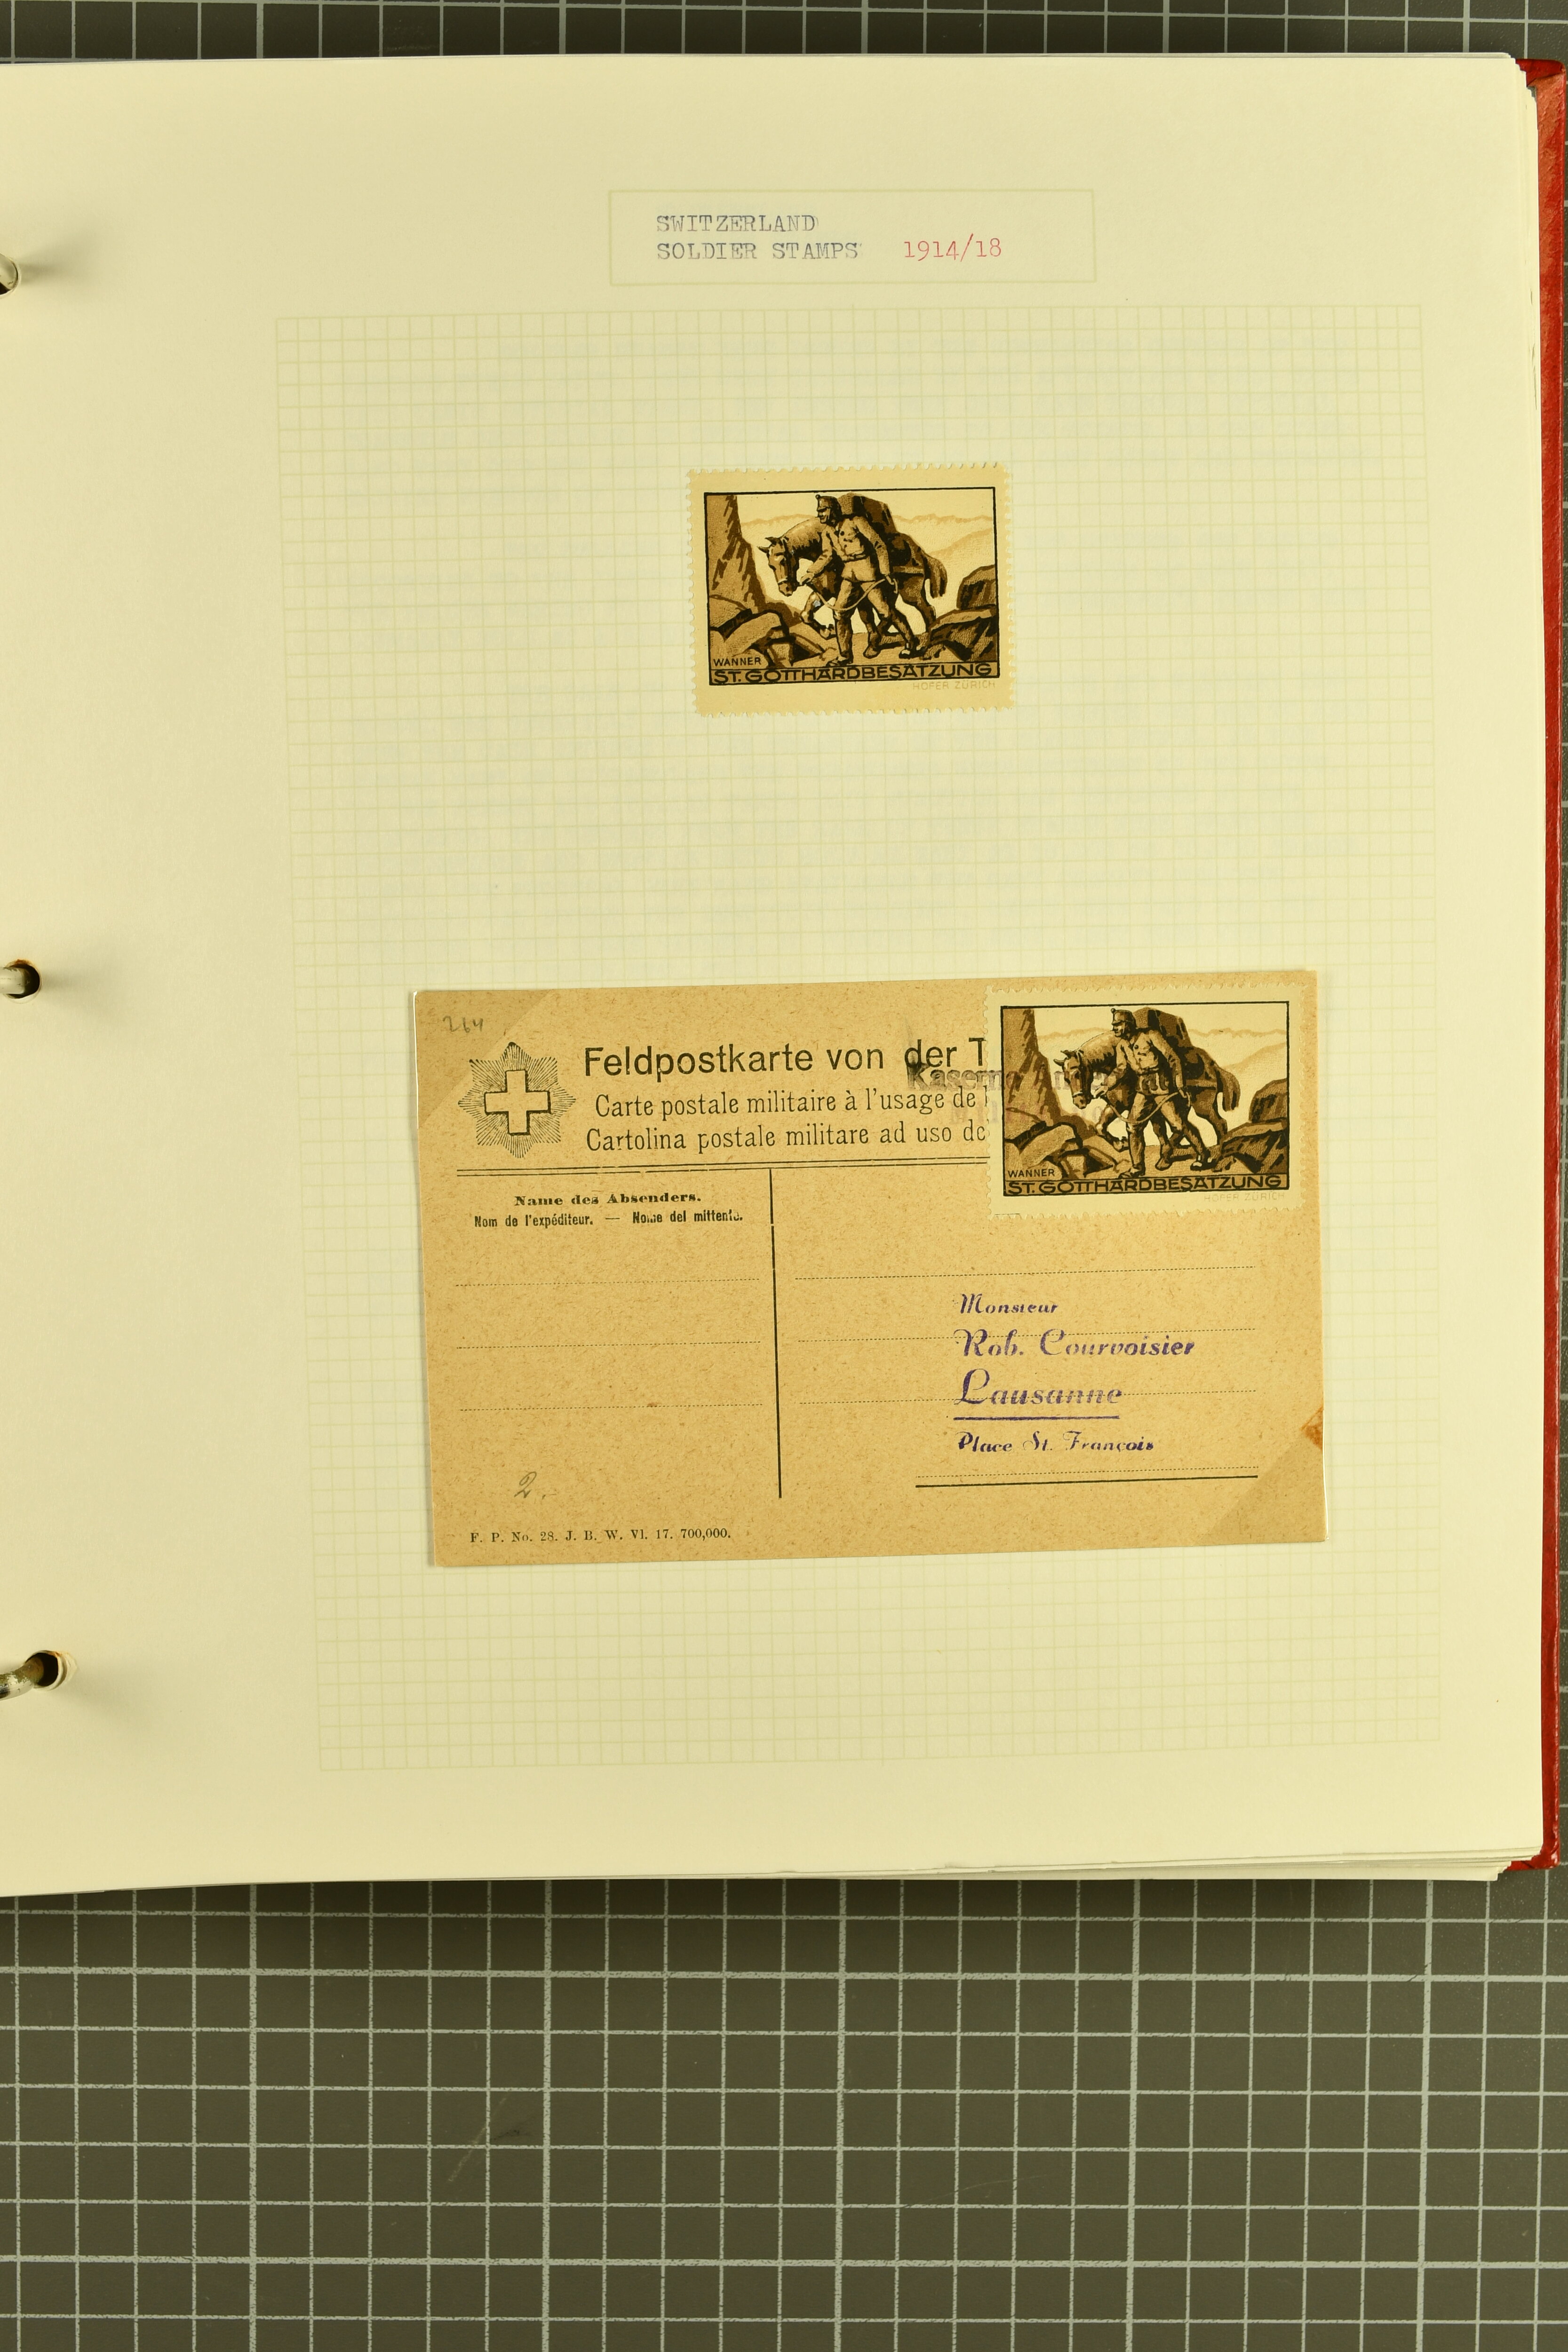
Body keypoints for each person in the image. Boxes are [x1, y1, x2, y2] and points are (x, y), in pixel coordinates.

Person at [804, 494, 917, 663]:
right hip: (849, 576)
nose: (819, 514)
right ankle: (845, 656)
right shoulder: (827, 532)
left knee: (885, 612)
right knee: (839, 614)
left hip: (868, 573)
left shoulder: (856, 522)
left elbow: (878, 544)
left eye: (823, 510)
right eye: (819, 511)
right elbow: (827, 555)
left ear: (833, 510)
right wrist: (812, 573)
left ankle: (911, 642)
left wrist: (886, 572)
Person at [1110, 1009, 1212, 1173]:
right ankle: (1137, 1167)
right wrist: (1105, 1086)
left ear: (1128, 1024)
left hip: (1162, 1088)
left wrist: (1180, 1085)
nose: (1114, 1028)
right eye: (1114, 1025)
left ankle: (1204, 1155)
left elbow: (1173, 1058)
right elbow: (1120, 1069)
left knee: (1178, 1125)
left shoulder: (1151, 1035)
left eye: (1118, 1024)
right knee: (1133, 1127)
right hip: (1143, 1090)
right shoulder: (1121, 1046)